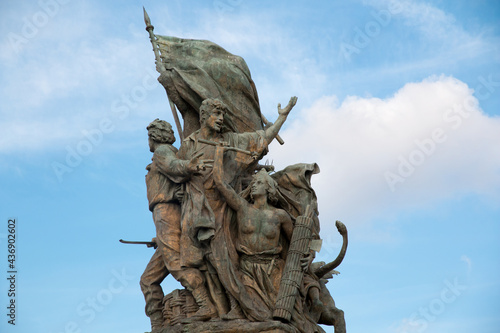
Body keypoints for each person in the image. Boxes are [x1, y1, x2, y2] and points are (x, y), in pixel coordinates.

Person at [175, 97, 297, 321]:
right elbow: (178, 173)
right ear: (204, 116)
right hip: (194, 210)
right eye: (216, 114)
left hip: (223, 209)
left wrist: (282, 117)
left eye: (222, 115)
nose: (221, 119)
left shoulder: (230, 140)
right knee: (198, 263)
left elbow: (261, 138)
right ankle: (217, 309)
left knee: (225, 261)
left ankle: (241, 309)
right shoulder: (189, 144)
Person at [140, 119, 216, 332]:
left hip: (166, 213)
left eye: (149, 137)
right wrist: (159, 238)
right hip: (164, 218)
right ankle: (157, 325)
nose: (148, 142)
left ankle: (205, 305)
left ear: (155, 137)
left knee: (177, 263)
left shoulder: (162, 152)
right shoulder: (166, 153)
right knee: (148, 280)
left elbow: (174, 166)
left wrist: (189, 166)